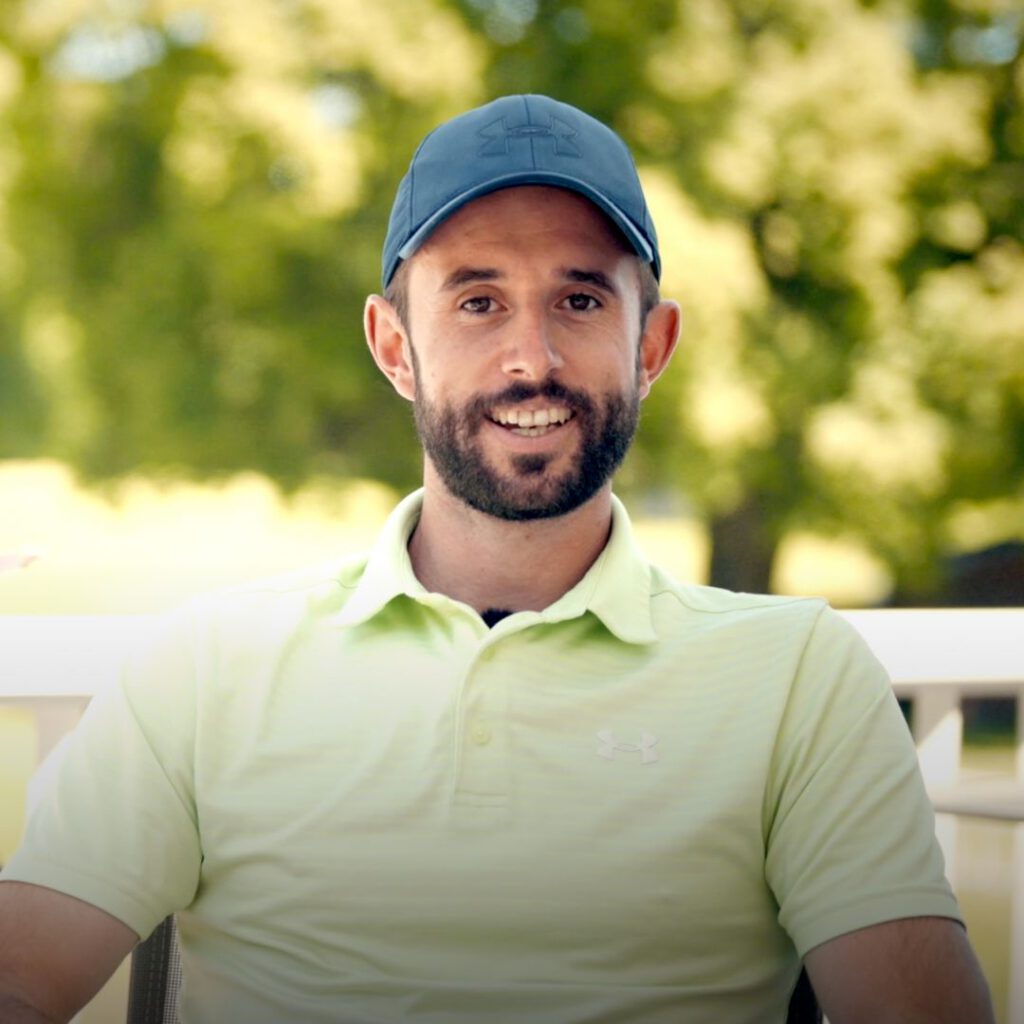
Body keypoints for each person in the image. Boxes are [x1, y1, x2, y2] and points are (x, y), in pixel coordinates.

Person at [0, 94, 993, 1024]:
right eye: (477, 302)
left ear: (651, 345)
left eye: (580, 300)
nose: (533, 359)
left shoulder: (798, 676)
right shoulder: (205, 666)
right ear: (395, 347)